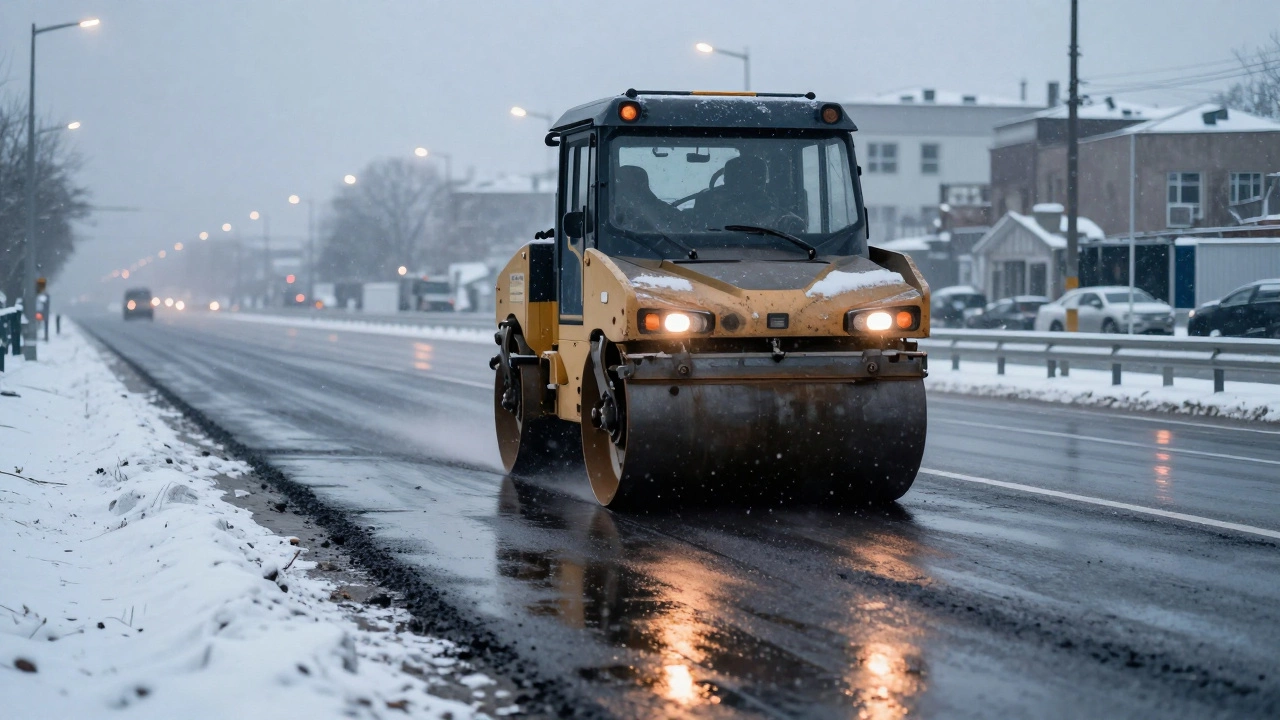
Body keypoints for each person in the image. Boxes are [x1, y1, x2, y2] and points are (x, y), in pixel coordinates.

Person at [612, 165, 685, 232]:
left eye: (631, 185)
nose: (621, 188)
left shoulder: (659, 209)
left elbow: (681, 226)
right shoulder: (610, 214)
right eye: (619, 182)